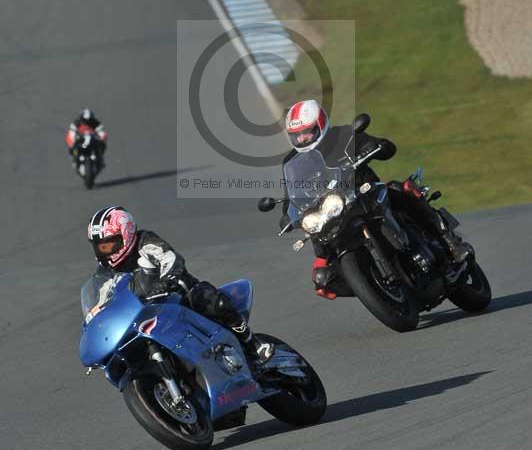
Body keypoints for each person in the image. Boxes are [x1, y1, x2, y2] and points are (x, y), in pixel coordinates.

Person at [281, 100, 470, 300]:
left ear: (321, 125)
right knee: (322, 265)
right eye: (296, 135)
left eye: (307, 132)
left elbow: (387, 148)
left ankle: (450, 243)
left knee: (400, 190)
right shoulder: (291, 162)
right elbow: (290, 196)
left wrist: (375, 146)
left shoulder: (344, 136)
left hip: (365, 194)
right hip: (331, 213)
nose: (302, 138)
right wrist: (287, 215)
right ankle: (368, 286)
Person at [87, 206, 274, 363]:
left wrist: (167, 280)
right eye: (99, 247)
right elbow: (101, 303)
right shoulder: (104, 273)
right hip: (142, 316)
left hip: (176, 295)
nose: (104, 252)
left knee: (212, 301)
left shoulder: (145, 242)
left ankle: (252, 344)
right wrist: (92, 320)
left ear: (126, 234)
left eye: (108, 245)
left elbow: (169, 258)